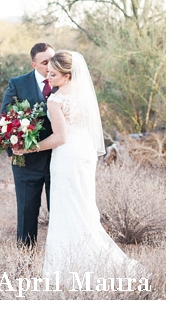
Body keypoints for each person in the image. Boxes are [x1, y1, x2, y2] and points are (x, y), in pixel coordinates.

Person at [12, 51, 144, 279]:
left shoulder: (56, 99)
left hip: (66, 156)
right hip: (85, 154)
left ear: (66, 75)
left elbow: (60, 138)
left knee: (67, 209)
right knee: (82, 206)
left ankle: (67, 268)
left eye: (53, 74)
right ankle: (89, 257)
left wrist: (28, 148)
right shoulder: (85, 95)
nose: (48, 77)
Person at [0, 42, 55, 246]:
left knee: (59, 213)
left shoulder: (64, 80)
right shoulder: (18, 83)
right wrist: (13, 149)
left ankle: (59, 258)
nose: (50, 66)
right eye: (44, 62)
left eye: (53, 59)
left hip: (58, 158)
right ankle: (25, 263)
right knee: (26, 213)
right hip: (26, 161)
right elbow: (4, 117)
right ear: (34, 65)